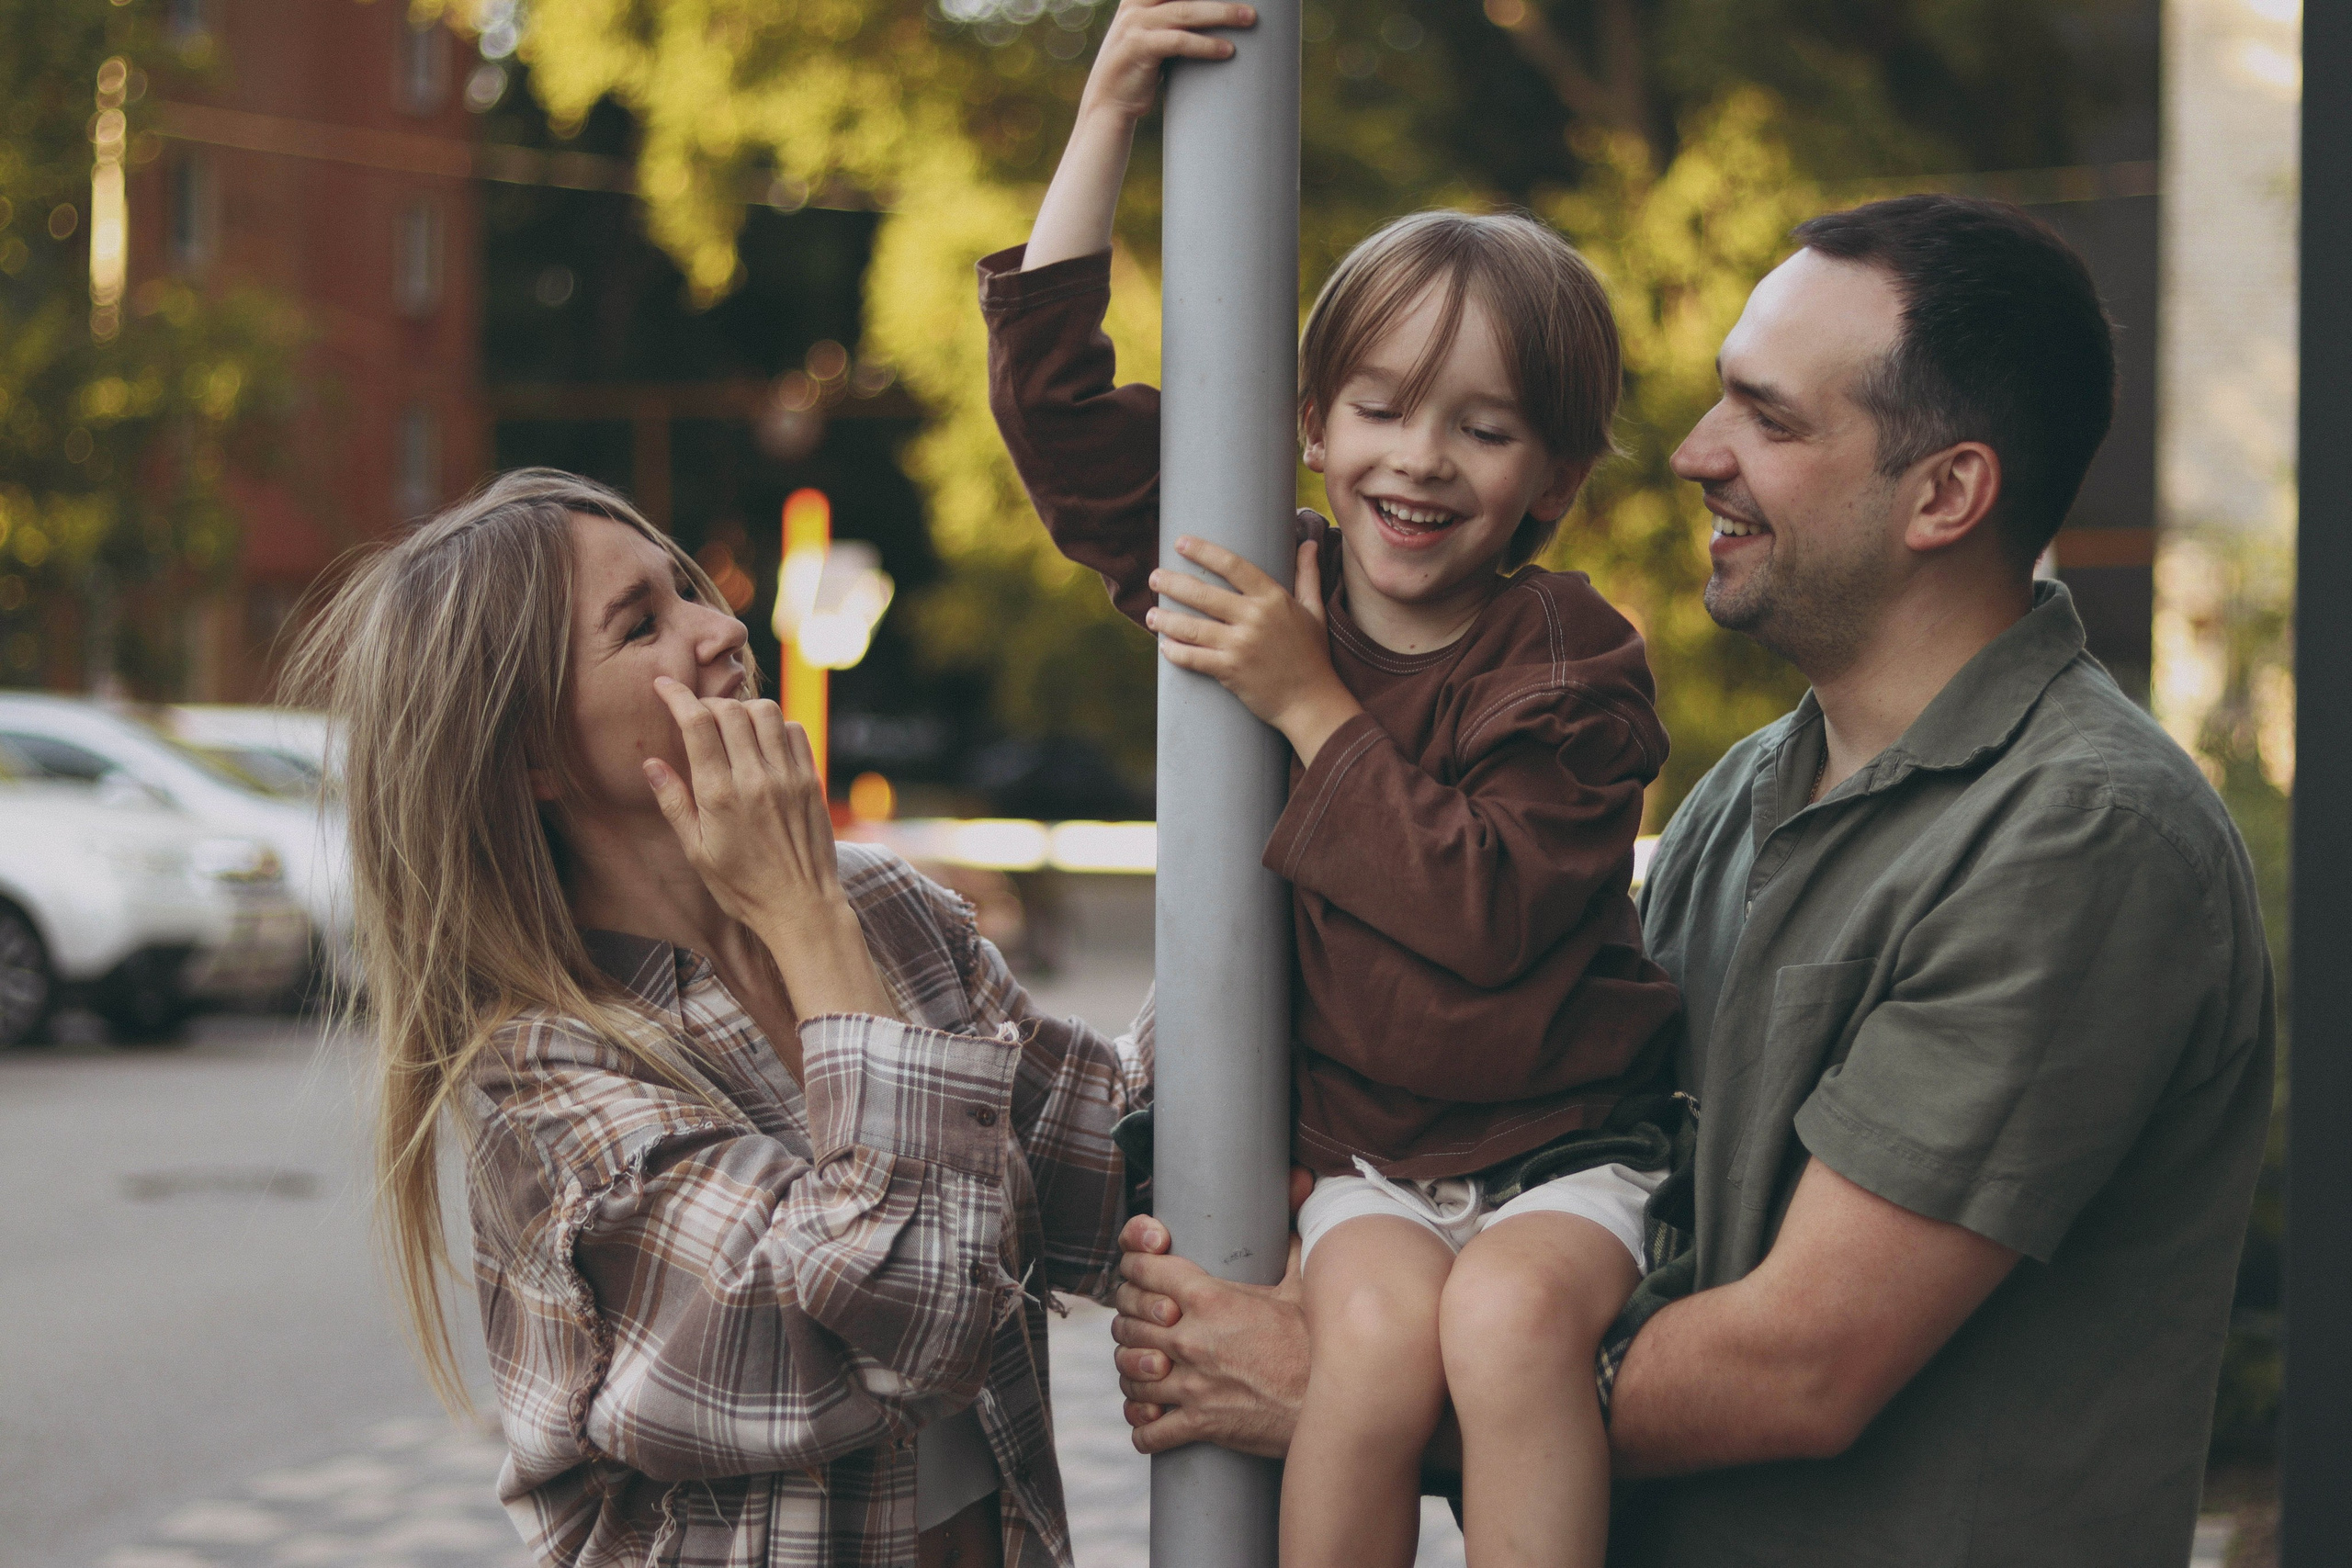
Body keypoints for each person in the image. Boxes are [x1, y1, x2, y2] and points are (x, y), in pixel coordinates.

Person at [1108, 195, 2274, 1567]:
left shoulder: (2082, 838)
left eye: (1769, 422)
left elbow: (1801, 1363)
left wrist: (1348, 1387)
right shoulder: (1737, 801)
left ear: (1946, 493)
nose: (1692, 452)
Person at [983, 5, 1684, 1564]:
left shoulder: (1570, 663)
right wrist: (1106, 110)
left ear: (1553, 480)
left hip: (1564, 1148)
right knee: (1360, 1351)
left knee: (1507, 1333)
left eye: (1484, 428)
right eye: (1378, 407)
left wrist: (1309, 699)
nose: (1419, 459)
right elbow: (1056, 418)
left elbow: (1487, 914)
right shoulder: (1265, 571)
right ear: (1308, 423)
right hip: (1372, 1159)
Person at [285, 469, 1150, 1568]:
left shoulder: (876, 910)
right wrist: (804, 914)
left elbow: (1115, 1164)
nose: (720, 627)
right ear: (533, 757)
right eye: (641, 624)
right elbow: (909, 1322)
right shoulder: (553, 1093)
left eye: (687, 587)